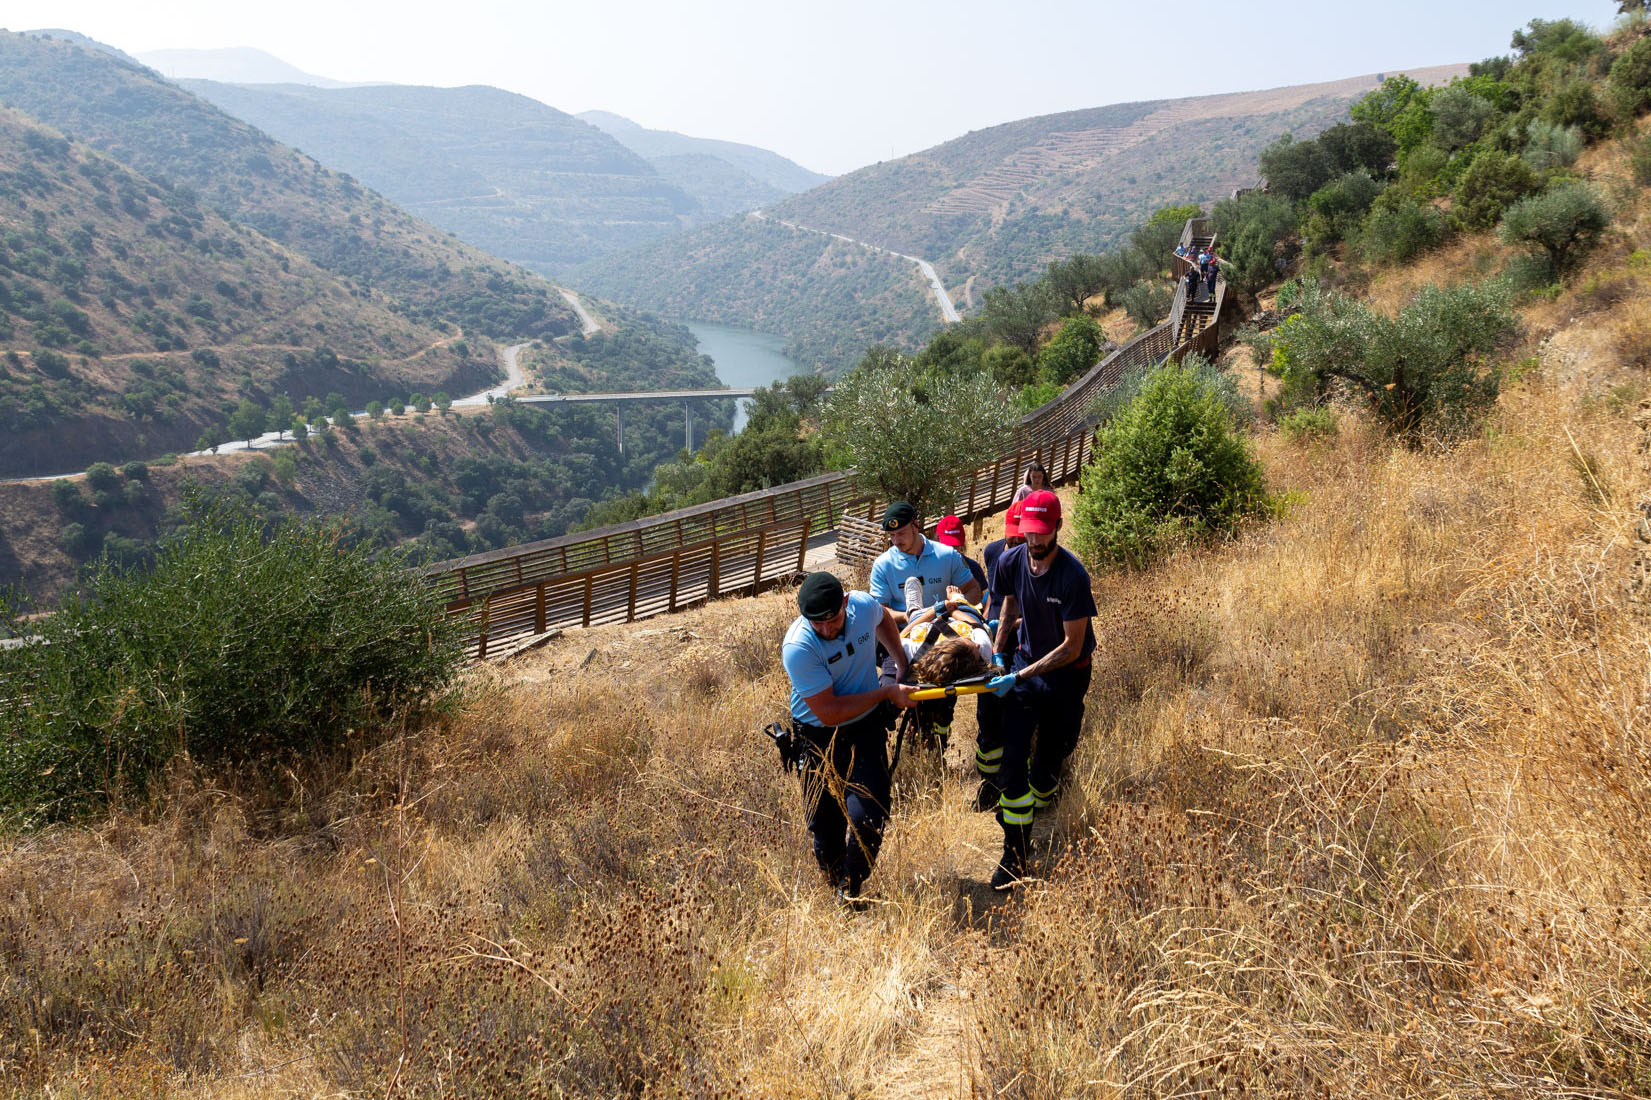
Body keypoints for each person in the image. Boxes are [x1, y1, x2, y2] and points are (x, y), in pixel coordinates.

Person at [780, 571, 916, 907]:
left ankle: (850, 888)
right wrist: (886, 692)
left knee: (868, 817)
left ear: (846, 603)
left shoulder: (862, 606)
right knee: (825, 831)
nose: (827, 629)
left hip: (864, 730)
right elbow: (829, 712)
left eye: (833, 619)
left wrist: (900, 662)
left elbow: (884, 618)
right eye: (817, 623)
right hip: (817, 738)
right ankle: (835, 878)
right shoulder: (799, 647)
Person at [984, 490, 1097, 890]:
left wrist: (1019, 675)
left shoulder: (1073, 577)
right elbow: (1008, 609)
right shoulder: (1009, 561)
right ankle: (1014, 856)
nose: (1034, 541)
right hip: (1024, 670)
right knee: (1013, 761)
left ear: (1058, 529)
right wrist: (999, 656)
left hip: (1067, 675)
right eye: (1028, 532)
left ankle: (1046, 789)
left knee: (1050, 761)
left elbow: (1071, 647)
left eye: (1042, 533)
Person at [869, 501, 984, 753]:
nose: (896, 540)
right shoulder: (884, 565)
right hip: (904, 639)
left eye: (901, 533)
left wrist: (959, 604)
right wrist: (910, 616)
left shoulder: (946, 555)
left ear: (916, 525)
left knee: (942, 699)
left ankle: (934, 747)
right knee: (887, 696)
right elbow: (879, 611)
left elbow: (974, 589)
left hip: (945, 638)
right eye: (891, 535)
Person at [973, 501, 1024, 811]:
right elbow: (995, 590)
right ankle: (989, 782)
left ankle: (1012, 775)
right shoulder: (993, 551)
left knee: (1015, 708)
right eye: (1013, 539)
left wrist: (1012, 626)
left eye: (1023, 539)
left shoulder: (1035, 559)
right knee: (987, 711)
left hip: (1020, 638)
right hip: (994, 637)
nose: (1017, 545)